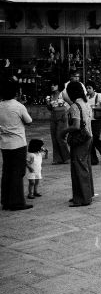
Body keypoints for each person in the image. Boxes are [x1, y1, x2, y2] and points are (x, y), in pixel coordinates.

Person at [0, 79, 34, 211]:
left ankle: (6, 200)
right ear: (16, 92)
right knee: (18, 173)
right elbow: (29, 121)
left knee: (7, 172)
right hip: (18, 143)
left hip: (4, 144)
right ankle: (17, 202)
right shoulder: (18, 106)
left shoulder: (0, 105)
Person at [60, 81, 94, 207]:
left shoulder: (75, 106)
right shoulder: (86, 103)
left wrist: (64, 131)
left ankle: (82, 198)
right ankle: (87, 194)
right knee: (85, 165)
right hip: (88, 136)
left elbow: (76, 126)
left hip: (80, 139)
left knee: (78, 167)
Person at [85, 81, 101, 165]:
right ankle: (93, 159)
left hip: (97, 120)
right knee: (90, 139)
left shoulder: (98, 96)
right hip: (88, 121)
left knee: (95, 138)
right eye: (87, 88)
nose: (88, 90)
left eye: (89, 88)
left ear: (93, 89)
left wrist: (94, 107)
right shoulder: (86, 97)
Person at [46, 82, 70, 164]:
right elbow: (50, 108)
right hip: (53, 117)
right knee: (54, 138)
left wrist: (66, 114)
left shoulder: (63, 94)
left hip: (62, 117)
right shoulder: (51, 96)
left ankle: (66, 157)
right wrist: (48, 104)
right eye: (52, 84)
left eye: (54, 84)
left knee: (60, 137)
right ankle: (57, 158)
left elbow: (71, 104)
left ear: (59, 86)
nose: (52, 86)